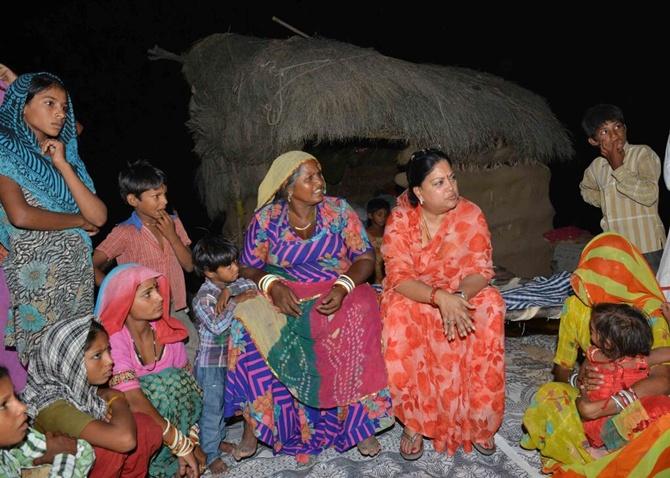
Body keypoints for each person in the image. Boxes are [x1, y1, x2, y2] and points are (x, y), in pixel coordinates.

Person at [230, 150, 393, 462]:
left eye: (319, 174)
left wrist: (344, 286)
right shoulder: (267, 220)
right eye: (310, 177)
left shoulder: (339, 212)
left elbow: (364, 257)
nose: (320, 182)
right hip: (286, 293)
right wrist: (271, 285)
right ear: (289, 188)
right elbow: (248, 267)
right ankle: (255, 424)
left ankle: (361, 424)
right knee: (244, 320)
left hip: (336, 288)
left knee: (365, 308)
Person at [380, 148, 505, 459]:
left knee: (490, 304)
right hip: (418, 292)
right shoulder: (401, 220)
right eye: (439, 183)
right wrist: (439, 298)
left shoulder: (470, 214)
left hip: (460, 290)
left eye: (452, 178)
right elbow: (399, 277)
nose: (451, 187)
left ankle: (478, 420)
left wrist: (459, 298)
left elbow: (480, 270)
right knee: (399, 311)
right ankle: (415, 420)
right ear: (418, 192)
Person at [521, 231, 670, 471]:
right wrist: (579, 380)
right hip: (593, 401)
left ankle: (607, 453)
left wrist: (603, 407)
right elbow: (562, 367)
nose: (586, 289)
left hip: (632, 403)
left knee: (660, 414)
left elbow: (662, 380)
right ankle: (603, 452)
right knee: (549, 398)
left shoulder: (648, 314)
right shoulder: (579, 304)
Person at [0, 72, 106, 362]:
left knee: (78, 364)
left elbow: (98, 215)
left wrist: (62, 164)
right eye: (50, 103)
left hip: (76, 279)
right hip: (39, 278)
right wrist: (78, 221)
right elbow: (20, 215)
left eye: (64, 106)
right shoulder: (6, 150)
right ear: (23, 105)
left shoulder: (62, 155)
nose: (60, 113)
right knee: (47, 365)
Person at [95, 263, 205, 478]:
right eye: (148, 294)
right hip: (138, 426)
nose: (160, 298)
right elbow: (133, 399)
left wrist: (192, 440)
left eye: (157, 289)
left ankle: (177, 460)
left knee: (177, 381)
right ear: (124, 301)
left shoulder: (168, 332)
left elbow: (190, 391)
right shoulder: (113, 340)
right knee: (158, 386)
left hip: (173, 431)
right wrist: (179, 443)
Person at [22, 316, 162, 477]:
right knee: (109, 447)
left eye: (108, 350)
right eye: (97, 355)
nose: (110, 361)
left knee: (143, 425)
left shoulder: (83, 392)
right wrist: (117, 398)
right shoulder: (50, 406)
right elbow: (125, 440)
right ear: (70, 360)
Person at [92, 159, 198, 362]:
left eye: (164, 194)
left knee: (192, 351)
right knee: (154, 361)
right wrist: (117, 293)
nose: (164, 201)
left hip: (176, 309)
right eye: (156, 196)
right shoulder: (125, 232)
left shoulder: (173, 222)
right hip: (145, 317)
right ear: (133, 200)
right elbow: (92, 265)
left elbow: (189, 265)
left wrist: (172, 236)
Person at [191, 235, 257, 474]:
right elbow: (218, 326)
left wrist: (229, 291)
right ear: (209, 272)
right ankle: (210, 454)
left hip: (232, 360)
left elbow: (252, 287)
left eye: (235, 261)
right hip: (211, 365)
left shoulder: (232, 285)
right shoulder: (202, 298)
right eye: (228, 266)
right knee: (211, 411)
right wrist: (235, 301)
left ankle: (217, 442)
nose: (236, 268)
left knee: (227, 405)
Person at [579, 104, 665, 272]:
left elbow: (650, 195)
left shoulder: (642, 154)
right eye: (604, 131)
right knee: (624, 296)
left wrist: (618, 168)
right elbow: (585, 188)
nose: (613, 134)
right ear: (593, 140)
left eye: (617, 126)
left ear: (625, 129)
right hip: (617, 249)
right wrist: (604, 200)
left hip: (648, 247)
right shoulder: (596, 167)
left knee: (655, 296)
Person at [578, 303, 670, 453]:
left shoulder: (598, 357)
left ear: (607, 343)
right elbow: (581, 381)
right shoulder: (641, 360)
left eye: (592, 331)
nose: (590, 335)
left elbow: (581, 381)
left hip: (604, 425)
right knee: (660, 406)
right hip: (606, 428)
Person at [0, 365, 94, 477]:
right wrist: (65, 456)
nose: (23, 407)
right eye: (3, 405)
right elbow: (69, 451)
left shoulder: (14, 441)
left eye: (15, 396)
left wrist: (47, 459)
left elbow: (83, 450)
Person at [365, 197, 390, 284]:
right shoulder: (366, 234)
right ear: (370, 215)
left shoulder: (389, 232)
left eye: (385, 215)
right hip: (373, 274)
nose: (383, 218)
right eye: (379, 215)